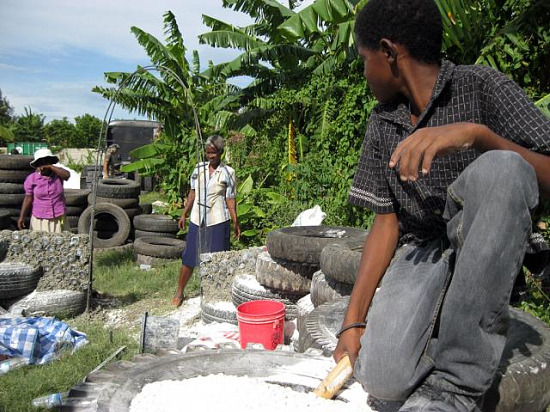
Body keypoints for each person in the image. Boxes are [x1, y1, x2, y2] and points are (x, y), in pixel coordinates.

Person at [333, 1, 550, 411]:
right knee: (382, 378)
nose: (363, 73)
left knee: (505, 168)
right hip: (423, 250)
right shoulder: (383, 121)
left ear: (388, 52)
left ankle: (456, 387)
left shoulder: (482, 87)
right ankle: (442, 323)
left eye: (364, 60)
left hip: (482, 245)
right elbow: (386, 222)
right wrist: (353, 321)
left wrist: (478, 136)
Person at [172, 135, 241, 307]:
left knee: (218, 259)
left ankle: (218, 295)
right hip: (197, 218)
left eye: (214, 153)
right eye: (208, 153)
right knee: (189, 257)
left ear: (221, 152)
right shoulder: (199, 168)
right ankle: (179, 292)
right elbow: (192, 192)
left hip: (217, 220)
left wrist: (235, 221)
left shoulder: (228, 172)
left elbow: (230, 199)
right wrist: (184, 214)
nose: (210, 156)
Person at [18, 148, 71, 232]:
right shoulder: (32, 178)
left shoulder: (58, 175)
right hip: (40, 218)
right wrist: (22, 217)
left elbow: (67, 175)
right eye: (40, 163)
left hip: (58, 217)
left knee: (59, 242)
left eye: (46, 162)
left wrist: (50, 167)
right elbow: (28, 198)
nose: (43, 166)